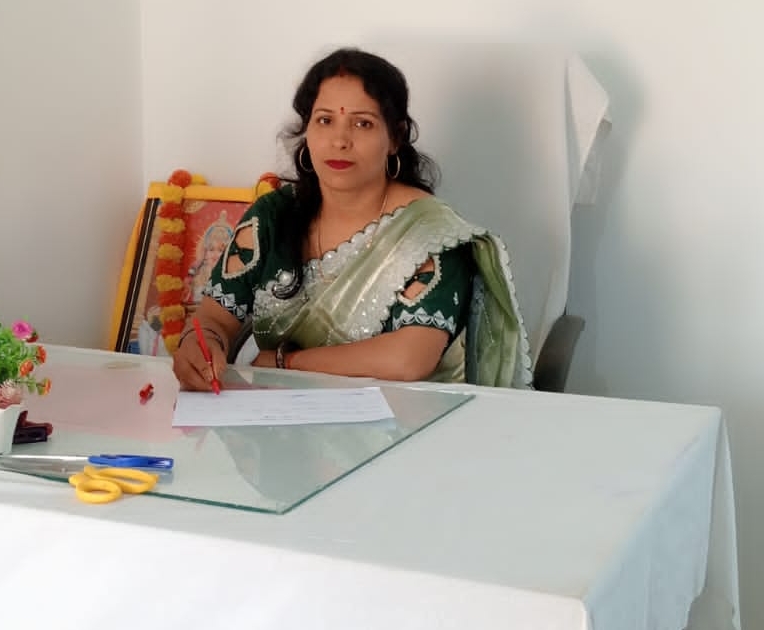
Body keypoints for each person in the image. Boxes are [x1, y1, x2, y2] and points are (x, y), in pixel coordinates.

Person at [173, 47, 530, 391]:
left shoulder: (429, 233)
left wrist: (285, 362)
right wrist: (200, 345)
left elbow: (409, 359)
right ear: (307, 131)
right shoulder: (273, 216)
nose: (340, 140)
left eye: (362, 123)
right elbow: (214, 318)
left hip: (410, 422)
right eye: (325, 120)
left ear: (395, 138)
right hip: (280, 418)